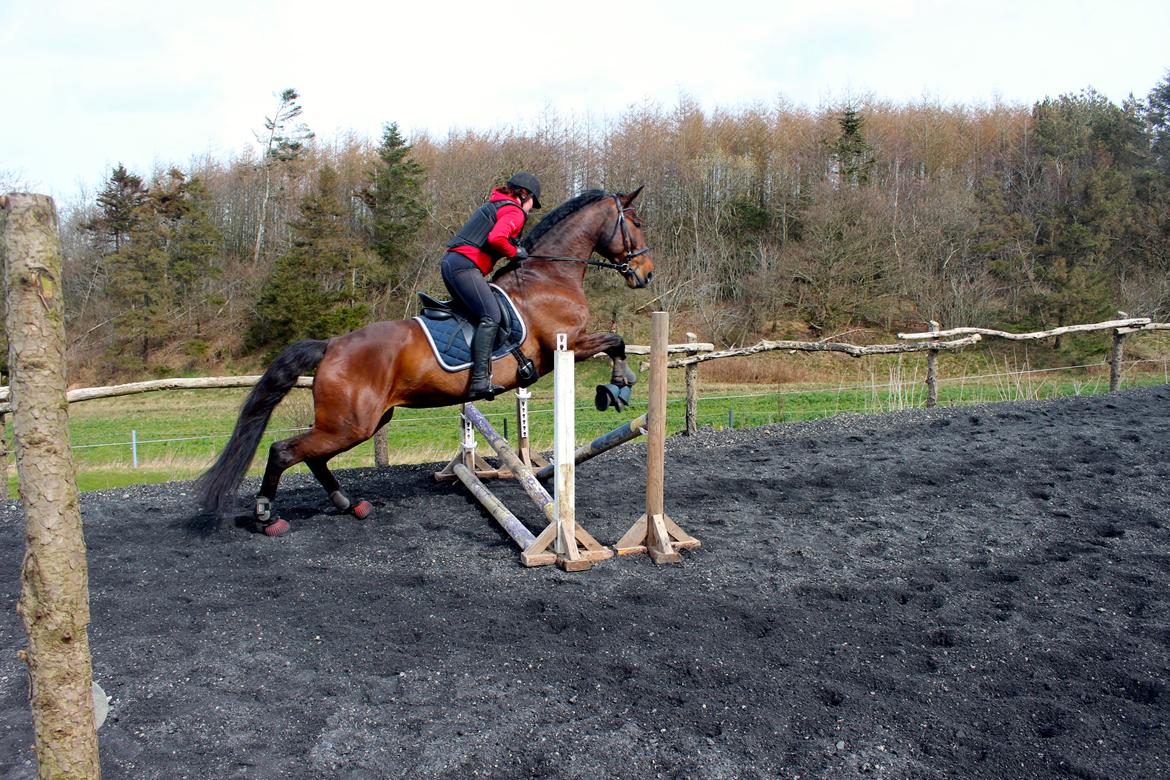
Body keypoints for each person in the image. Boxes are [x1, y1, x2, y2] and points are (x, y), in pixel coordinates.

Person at [441, 172, 542, 400]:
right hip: (464, 267)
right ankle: (479, 381)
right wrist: (514, 252)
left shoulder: (496, 205)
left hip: (453, 264)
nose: (530, 209)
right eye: (532, 203)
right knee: (491, 316)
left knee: (478, 314)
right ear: (524, 194)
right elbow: (497, 238)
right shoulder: (514, 211)